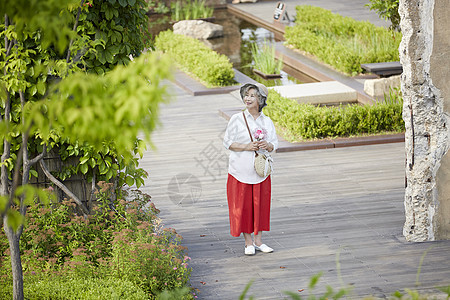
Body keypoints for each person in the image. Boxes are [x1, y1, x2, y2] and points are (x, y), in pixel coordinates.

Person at [223, 82, 278, 256]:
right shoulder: (237, 119)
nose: (248, 98)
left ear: (260, 100)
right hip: (240, 171)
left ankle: (259, 241)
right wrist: (247, 147)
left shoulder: (267, 121)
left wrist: (267, 144)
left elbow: (274, 145)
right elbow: (228, 142)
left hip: (260, 171)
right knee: (244, 206)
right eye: (246, 95)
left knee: (260, 206)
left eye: (252, 96)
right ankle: (248, 243)